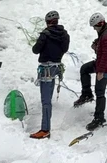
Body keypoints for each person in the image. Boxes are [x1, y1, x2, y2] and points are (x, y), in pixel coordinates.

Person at [74, 12, 107, 131]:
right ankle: (87, 94)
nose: (94, 29)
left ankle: (99, 119)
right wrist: (96, 44)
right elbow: (103, 46)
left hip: (106, 66)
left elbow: (106, 55)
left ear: (99, 24)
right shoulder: (105, 31)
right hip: (102, 62)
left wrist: (100, 72)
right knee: (84, 69)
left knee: (100, 92)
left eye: (94, 27)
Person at [30, 10, 71, 140]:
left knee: (46, 101)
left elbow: (35, 50)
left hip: (46, 69)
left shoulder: (45, 34)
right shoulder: (65, 35)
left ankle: (45, 129)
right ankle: (45, 128)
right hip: (56, 69)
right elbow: (65, 49)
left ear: (47, 22)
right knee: (48, 99)